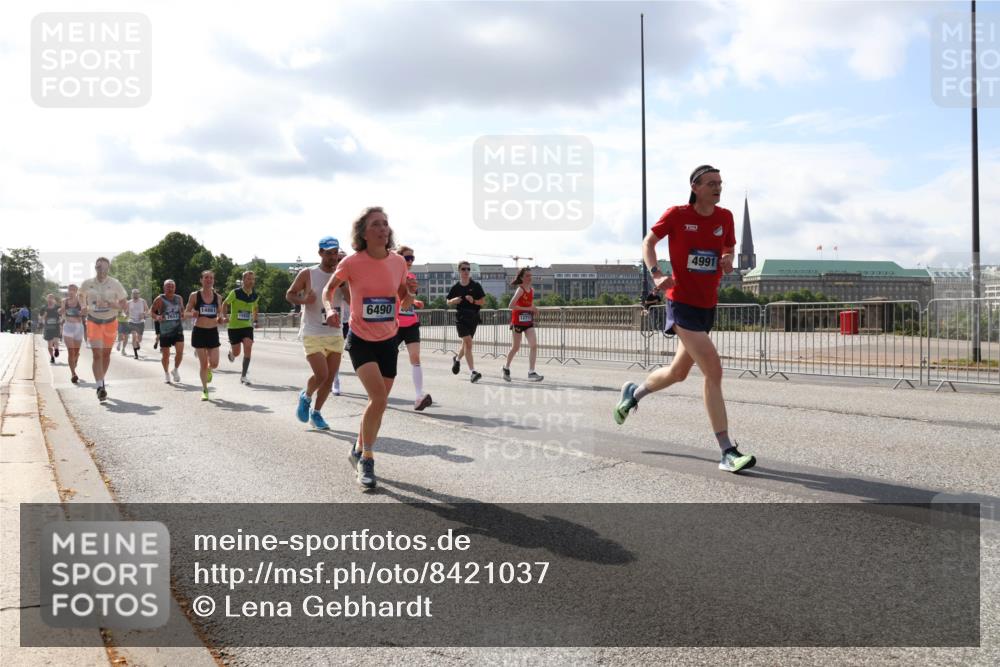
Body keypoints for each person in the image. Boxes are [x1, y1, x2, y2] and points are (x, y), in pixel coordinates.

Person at [613, 165, 756, 473]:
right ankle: (726, 451)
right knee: (713, 371)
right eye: (711, 183)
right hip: (681, 304)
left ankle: (632, 394)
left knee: (678, 373)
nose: (718, 188)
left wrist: (728, 259)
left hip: (707, 306)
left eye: (720, 183)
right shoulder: (677, 215)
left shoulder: (725, 217)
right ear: (695, 187)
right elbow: (648, 243)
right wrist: (657, 274)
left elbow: (729, 246)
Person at [323, 207, 412, 490]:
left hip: (389, 339)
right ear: (363, 232)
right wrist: (328, 309)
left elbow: (400, 292)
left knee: (379, 403)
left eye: (385, 224)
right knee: (378, 398)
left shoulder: (398, 262)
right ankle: (368, 460)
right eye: (376, 224)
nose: (383, 228)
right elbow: (328, 289)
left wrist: (409, 297)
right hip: (361, 339)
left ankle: (358, 448)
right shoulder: (352, 262)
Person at [286, 237, 349, 430]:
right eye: (328, 253)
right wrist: (305, 300)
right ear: (320, 253)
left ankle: (317, 413)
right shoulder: (308, 273)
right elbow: (289, 294)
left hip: (335, 331)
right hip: (313, 331)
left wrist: (344, 284)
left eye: (335, 253)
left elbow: (350, 299)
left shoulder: (342, 275)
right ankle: (306, 396)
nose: (332, 257)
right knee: (321, 374)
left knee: (330, 378)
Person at [79, 257, 127, 401]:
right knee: (97, 355)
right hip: (93, 322)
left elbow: (123, 303)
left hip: (110, 322)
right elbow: (81, 295)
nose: (102, 271)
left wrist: (110, 303)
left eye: (105, 268)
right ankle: (100, 386)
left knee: (106, 355)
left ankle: (101, 379)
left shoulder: (115, 283)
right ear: (95, 268)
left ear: (108, 269)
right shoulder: (87, 283)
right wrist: (83, 306)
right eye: (99, 268)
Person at [395, 245, 432, 410]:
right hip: (393, 324)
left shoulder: (411, 276)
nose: (410, 261)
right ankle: (378, 393)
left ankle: (419, 396)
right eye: (406, 258)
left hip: (410, 323)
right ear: (398, 258)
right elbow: (399, 301)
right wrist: (409, 297)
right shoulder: (391, 276)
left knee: (415, 357)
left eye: (412, 258)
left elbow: (406, 302)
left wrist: (414, 301)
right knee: (386, 360)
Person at [185, 270, 224, 401]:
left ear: (213, 281)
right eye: (206, 278)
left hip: (212, 332)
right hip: (199, 332)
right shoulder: (194, 296)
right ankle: (205, 390)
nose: (209, 280)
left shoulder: (218, 297)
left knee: (214, 363)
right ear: (201, 280)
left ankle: (209, 370)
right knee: (203, 363)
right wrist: (193, 314)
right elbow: (186, 313)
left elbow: (220, 314)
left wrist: (221, 319)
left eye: (211, 278)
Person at [502, 267, 543, 382]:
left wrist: (534, 309)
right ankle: (506, 368)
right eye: (527, 276)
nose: (530, 278)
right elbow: (511, 305)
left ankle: (531, 372)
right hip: (517, 321)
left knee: (534, 345)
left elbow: (529, 303)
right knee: (515, 347)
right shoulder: (520, 290)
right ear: (522, 278)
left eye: (531, 275)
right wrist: (528, 307)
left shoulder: (532, 290)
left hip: (528, 322)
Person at [447, 260, 485, 383]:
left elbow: (482, 302)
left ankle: (457, 360)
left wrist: (473, 300)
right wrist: (453, 301)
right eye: (463, 269)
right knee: (468, 343)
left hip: (473, 318)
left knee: (465, 344)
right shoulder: (455, 287)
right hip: (461, 318)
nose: (466, 271)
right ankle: (473, 372)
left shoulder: (476, 286)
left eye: (468, 269)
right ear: (459, 271)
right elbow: (448, 301)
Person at [223, 270, 260, 385]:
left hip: (247, 327)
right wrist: (224, 316)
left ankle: (243, 376)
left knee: (248, 346)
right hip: (234, 327)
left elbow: (255, 308)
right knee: (237, 352)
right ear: (243, 280)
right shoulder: (235, 292)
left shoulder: (255, 295)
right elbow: (225, 304)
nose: (251, 281)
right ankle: (232, 353)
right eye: (248, 279)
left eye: (252, 279)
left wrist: (255, 320)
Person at [150, 279, 185, 384]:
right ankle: (166, 373)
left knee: (180, 352)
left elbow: (182, 311)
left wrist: (183, 314)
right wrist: (157, 316)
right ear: (164, 288)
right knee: (166, 355)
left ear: (175, 288)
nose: (170, 288)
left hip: (178, 329)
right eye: (168, 286)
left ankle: (175, 370)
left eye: (172, 286)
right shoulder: (160, 299)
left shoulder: (179, 298)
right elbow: (151, 312)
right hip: (165, 331)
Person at [60, 284, 85, 383]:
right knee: (71, 352)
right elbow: (62, 313)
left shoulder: (80, 300)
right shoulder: (64, 301)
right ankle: (73, 374)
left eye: (73, 290)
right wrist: (60, 310)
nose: (71, 291)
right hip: (68, 326)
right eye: (70, 289)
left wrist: (83, 310)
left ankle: (76, 358)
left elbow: (85, 310)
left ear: (76, 291)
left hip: (78, 327)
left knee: (75, 352)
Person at [126, 289, 149, 359]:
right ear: (132, 294)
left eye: (137, 293)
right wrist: (126, 315)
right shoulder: (129, 302)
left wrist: (144, 314)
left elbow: (147, 310)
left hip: (140, 321)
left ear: (139, 294)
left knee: (139, 338)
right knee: (133, 335)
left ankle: (137, 342)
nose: (135, 294)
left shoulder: (143, 301)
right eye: (134, 293)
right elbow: (125, 311)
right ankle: (136, 354)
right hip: (131, 321)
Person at [40, 294, 62, 364]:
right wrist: (44, 315)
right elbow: (41, 317)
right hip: (48, 328)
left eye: (51, 298)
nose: (50, 299)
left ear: (53, 299)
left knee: (55, 341)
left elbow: (62, 315)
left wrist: (60, 320)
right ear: (47, 299)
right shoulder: (44, 308)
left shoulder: (58, 307)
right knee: (49, 345)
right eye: (49, 298)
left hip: (56, 327)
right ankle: (52, 357)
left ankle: (56, 349)